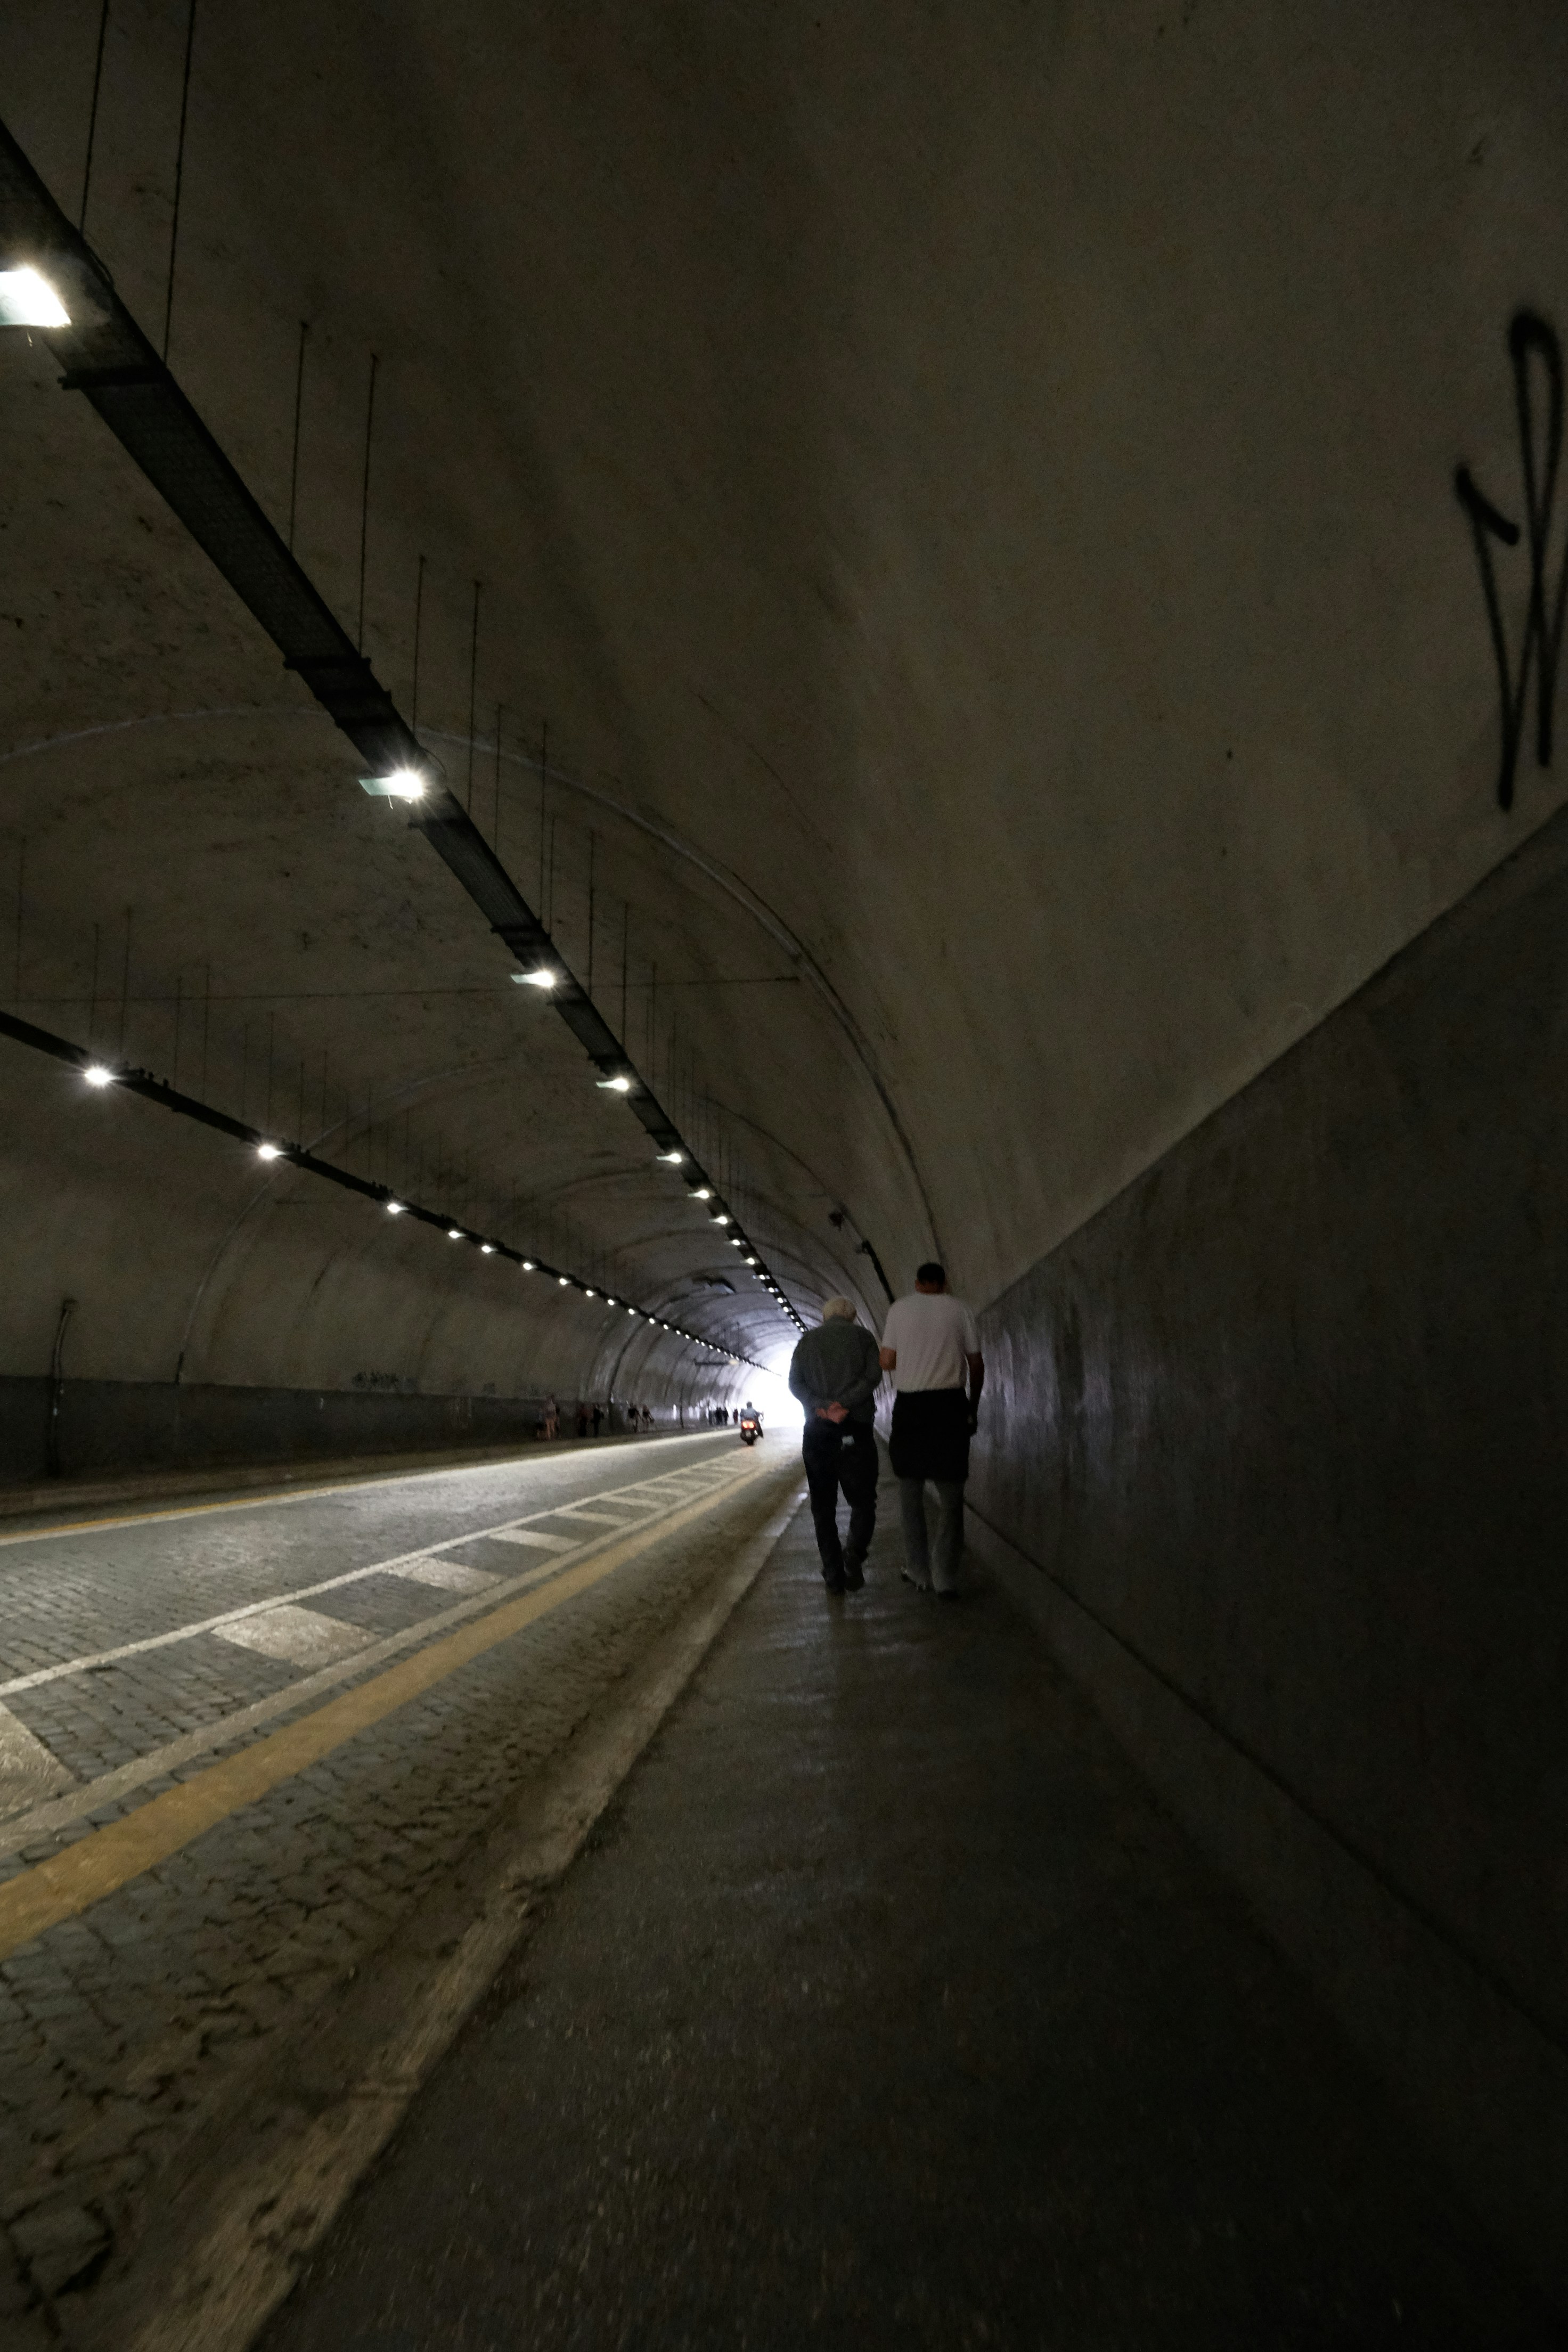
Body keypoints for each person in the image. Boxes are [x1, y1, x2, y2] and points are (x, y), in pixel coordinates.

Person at [879, 1262, 984, 1599]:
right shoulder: (961, 1308)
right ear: (944, 1282)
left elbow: (887, 1361)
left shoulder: (899, 1309)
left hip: (911, 1409)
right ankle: (945, 1578)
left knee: (911, 1494)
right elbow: (977, 1363)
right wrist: (972, 1407)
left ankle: (918, 1570)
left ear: (917, 1282)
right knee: (952, 1496)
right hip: (951, 1406)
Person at [788, 1296, 883, 1594]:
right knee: (864, 1501)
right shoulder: (864, 1337)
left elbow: (795, 1384)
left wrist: (823, 1406)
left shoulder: (807, 1342)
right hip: (856, 1429)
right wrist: (845, 1403)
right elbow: (873, 1376)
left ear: (825, 1316)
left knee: (823, 1507)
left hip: (818, 1431)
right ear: (853, 1315)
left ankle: (833, 1573)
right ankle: (853, 1554)